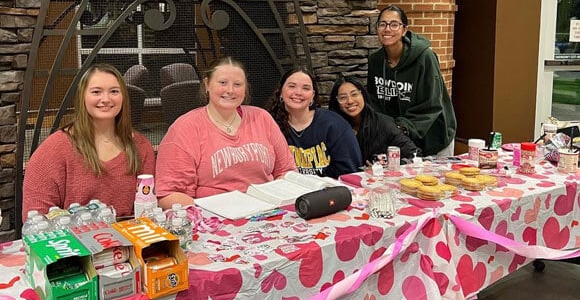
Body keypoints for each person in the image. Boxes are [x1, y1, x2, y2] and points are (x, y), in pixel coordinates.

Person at [155, 57, 296, 209]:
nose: (230, 90)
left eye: (237, 84)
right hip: (211, 219)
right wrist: (213, 214)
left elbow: (286, 171)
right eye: (222, 83)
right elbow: (169, 194)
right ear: (207, 84)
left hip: (266, 214)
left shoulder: (262, 118)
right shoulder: (185, 128)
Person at [22, 64, 156, 220]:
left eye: (114, 91)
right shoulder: (53, 150)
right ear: (82, 97)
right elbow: (36, 218)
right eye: (96, 92)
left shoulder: (141, 147)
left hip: (132, 240)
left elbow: (148, 210)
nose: (106, 99)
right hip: (73, 241)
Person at [367, 5, 457, 157]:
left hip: (433, 138)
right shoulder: (375, 60)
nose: (387, 29)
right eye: (382, 24)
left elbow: (432, 104)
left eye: (394, 24)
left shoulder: (425, 57)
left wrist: (401, 127)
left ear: (404, 30)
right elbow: (373, 100)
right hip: (399, 138)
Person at [268, 67, 362, 178]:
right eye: (292, 86)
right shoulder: (268, 124)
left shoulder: (335, 125)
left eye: (306, 88)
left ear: (312, 95)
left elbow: (350, 172)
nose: (298, 92)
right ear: (281, 92)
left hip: (328, 191)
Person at [328, 76, 421, 164]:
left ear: (363, 95)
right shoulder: (332, 127)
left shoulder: (383, 123)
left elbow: (414, 155)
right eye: (343, 97)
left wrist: (384, 166)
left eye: (354, 94)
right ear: (336, 102)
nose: (350, 101)